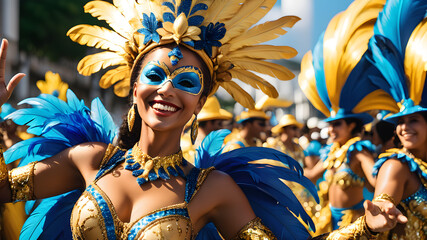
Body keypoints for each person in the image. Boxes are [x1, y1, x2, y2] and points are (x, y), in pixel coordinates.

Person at [0, 0, 408, 239]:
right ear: (134, 85)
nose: (167, 90)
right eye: (155, 75)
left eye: (186, 82)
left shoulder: (213, 188)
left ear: (199, 102)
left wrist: (364, 230)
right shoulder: (90, 160)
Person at [298, 0, 391, 232]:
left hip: (353, 224)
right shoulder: (332, 152)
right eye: (330, 124)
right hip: (328, 221)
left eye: (337, 124)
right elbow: (310, 175)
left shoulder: (358, 150)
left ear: (352, 126)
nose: (331, 129)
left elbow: (376, 180)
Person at [364, 0, 427, 238]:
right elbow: (381, 201)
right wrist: (375, 216)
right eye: (400, 122)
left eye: (413, 120)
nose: (403, 128)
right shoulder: (396, 166)